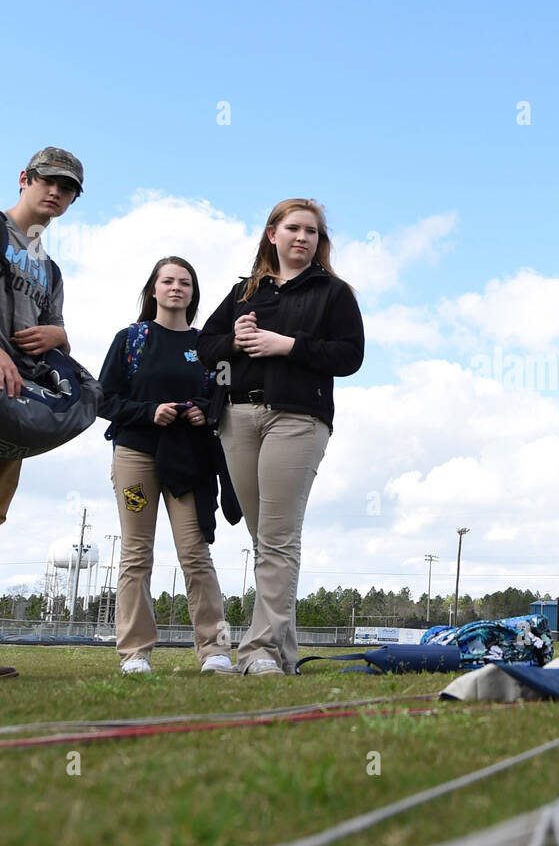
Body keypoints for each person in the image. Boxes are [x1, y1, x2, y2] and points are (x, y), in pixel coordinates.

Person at [198, 199, 364, 676]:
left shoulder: (334, 293)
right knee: (264, 538)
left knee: (276, 538)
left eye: (312, 231)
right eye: (293, 228)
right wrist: (235, 337)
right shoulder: (244, 292)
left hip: (296, 417)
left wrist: (287, 345)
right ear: (272, 234)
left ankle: (260, 651)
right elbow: (205, 348)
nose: (303, 237)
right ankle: (281, 654)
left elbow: (350, 356)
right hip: (238, 416)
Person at [99, 258, 237, 675]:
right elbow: (103, 399)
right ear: (153, 289)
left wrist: (202, 412)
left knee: (195, 553)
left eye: (185, 282)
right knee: (136, 554)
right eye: (167, 281)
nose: (176, 287)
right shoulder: (131, 339)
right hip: (136, 456)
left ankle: (213, 649)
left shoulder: (208, 346)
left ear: (193, 293)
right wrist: (148, 412)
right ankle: (135, 653)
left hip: (189, 461)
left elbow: (224, 399)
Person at [0, 148, 84, 680]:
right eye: (48, 181)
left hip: (16, 403)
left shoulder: (49, 270)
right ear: (25, 178)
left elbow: (54, 337)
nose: (55, 192)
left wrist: (63, 335)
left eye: (68, 188)